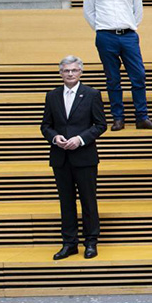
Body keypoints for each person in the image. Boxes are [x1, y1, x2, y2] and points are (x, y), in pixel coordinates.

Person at [82, 0, 152, 131]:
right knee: (113, 78)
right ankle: (118, 118)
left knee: (138, 76)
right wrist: (101, 28)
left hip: (129, 36)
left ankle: (142, 117)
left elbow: (137, 11)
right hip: (105, 36)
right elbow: (88, 11)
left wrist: (129, 25)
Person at [41, 56, 107, 260]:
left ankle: (90, 242)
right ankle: (69, 243)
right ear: (60, 73)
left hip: (84, 157)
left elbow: (100, 124)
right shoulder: (52, 96)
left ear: (81, 72)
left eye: (74, 70)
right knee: (66, 202)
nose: (70, 74)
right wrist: (55, 137)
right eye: (66, 71)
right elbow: (45, 125)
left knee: (88, 201)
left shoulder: (92, 94)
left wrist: (80, 139)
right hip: (60, 157)